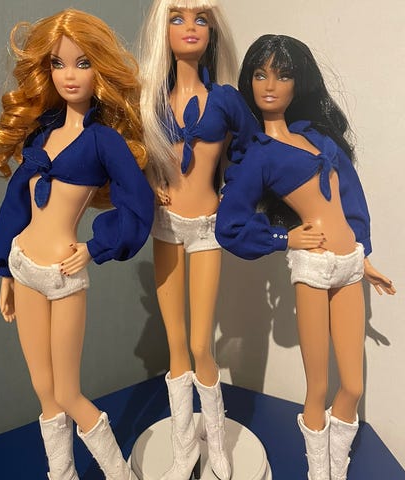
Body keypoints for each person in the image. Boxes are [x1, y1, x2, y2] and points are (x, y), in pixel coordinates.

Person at [216, 34, 396, 480]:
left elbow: (350, 198)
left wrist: (364, 257)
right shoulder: (257, 156)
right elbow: (229, 227)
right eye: (260, 75)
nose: (269, 85)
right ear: (249, 81)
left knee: (351, 385)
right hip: (313, 268)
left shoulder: (316, 137)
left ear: (300, 83)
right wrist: (284, 238)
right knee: (317, 387)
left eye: (282, 75)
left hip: (349, 265)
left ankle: (337, 465)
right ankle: (320, 471)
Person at [0, 9, 153, 480]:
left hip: (62, 273)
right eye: (58, 64)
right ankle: (62, 473)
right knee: (44, 390)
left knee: (68, 392)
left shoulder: (103, 142)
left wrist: (95, 248)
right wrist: (5, 269)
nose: (69, 75)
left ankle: (118, 473)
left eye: (82, 63)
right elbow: (17, 202)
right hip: (23, 265)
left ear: (100, 68)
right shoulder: (43, 131)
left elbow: (138, 204)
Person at [138, 1, 259, 479]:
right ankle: (184, 448)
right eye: (177, 18)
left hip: (207, 227)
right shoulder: (151, 99)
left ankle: (218, 443)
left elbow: (251, 152)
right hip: (165, 227)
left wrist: (232, 195)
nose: (190, 27)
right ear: (162, 31)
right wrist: (151, 182)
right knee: (175, 344)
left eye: (200, 19)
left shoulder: (226, 99)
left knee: (201, 344)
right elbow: (135, 154)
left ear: (212, 30)